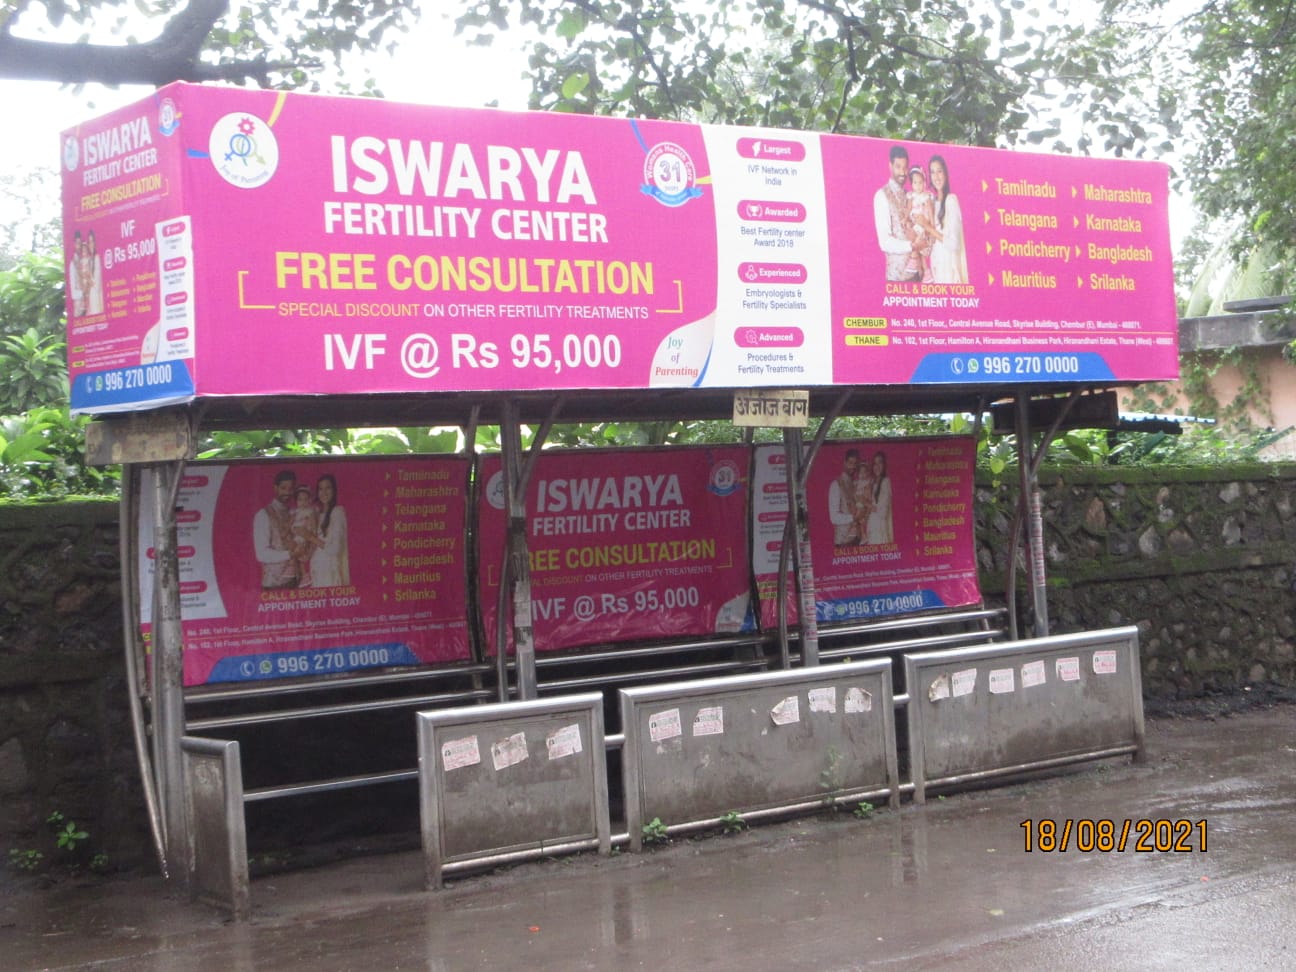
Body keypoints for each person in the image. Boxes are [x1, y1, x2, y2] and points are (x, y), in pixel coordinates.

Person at [873, 145, 922, 282]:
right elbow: (884, 242)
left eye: (905, 167)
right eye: (898, 167)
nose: (902, 172)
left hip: (917, 275)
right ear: (890, 166)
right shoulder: (882, 195)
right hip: (896, 279)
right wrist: (911, 246)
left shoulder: (911, 196)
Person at [253, 470, 299, 588]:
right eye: (283, 488)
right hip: (274, 586)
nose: (287, 492)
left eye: (291, 488)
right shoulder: (263, 515)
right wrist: (289, 554)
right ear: (275, 488)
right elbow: (261, 554)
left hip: (295, 581)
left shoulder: (295, 513)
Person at [927, 155, 969, 285]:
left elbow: (953, 244)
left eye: (939, 171)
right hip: (937, 271)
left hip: (950, 273)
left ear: (945, 173)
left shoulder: (951, 200)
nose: (936, 176)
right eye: (932, 172)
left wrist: (927, 226)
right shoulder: (931, 203)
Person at [308, 473, 350, 588]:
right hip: (317, 572)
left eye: (328, 488)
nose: (324, 492)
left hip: (330, 575)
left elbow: (335, 549)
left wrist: (310, 537)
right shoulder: (317, 515)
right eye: (320, 489)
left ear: (334, 490)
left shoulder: (338, 512)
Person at [904, 165, 938, 282]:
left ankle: (915, 260)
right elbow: (908, 209)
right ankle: (925, 271)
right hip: (914, 224)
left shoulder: (926, 196)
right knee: (916, 244)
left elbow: (930, 212)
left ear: (924, 182)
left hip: (923, 224)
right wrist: (905, 219)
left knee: (920, 245)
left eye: (920, 182)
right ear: (911, 184)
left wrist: (932, 227)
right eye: (915, 183)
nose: (917, 186)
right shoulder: (911, 196)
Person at [828, 449, 862, 546]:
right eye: (850, 463)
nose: (853, 466)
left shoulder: (855, 484)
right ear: (845, 463)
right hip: (843, 543)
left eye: (855, 463)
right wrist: (853, 517)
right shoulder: (836, 484)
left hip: (857, 540)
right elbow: (833, 518)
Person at [290, 485, 321, 588]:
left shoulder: (310, 512)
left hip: (304, 536)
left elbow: (313, 528)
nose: (302, 502)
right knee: (294, 551)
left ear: (310, 500)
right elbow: (291, 524)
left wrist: (309, 534)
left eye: (305, 499)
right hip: (296, 536)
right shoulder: (295, 512)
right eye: (300, 500)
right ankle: (300, 573)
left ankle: (303, 574)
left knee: (300, 553)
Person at [864, 451, 894, 545]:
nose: (877, 466)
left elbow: (882, 512)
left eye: (880, 462)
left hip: (879, 528)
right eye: (875, 464)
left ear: (884, 465)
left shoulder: (885, 482)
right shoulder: (873, 482)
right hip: (872, 526)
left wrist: (865, 502)